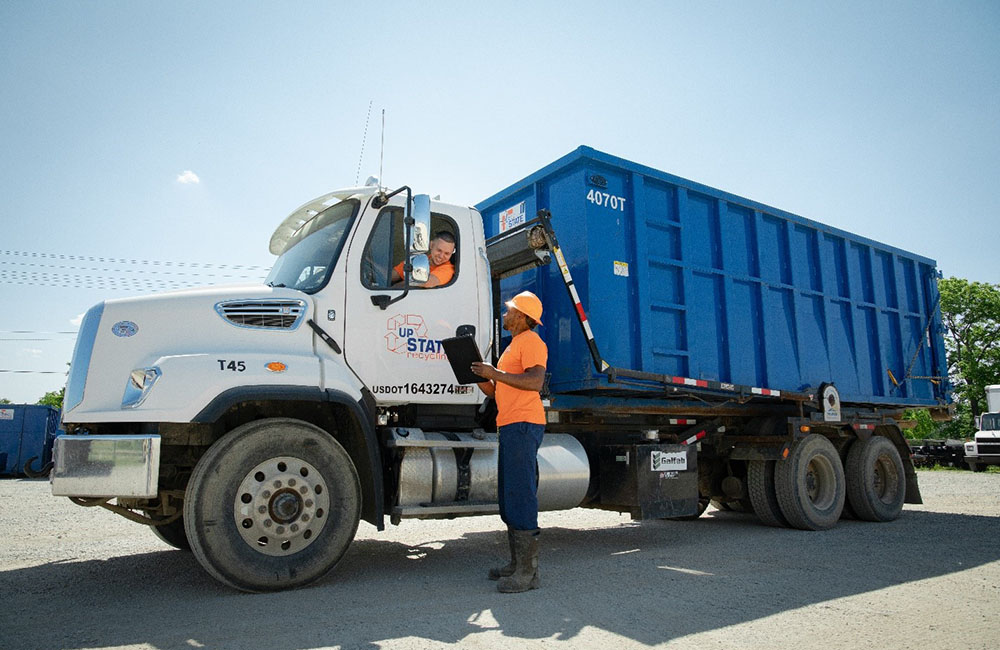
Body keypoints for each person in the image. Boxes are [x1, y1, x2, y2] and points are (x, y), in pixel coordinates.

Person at [470, 290, 547, 593]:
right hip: (510, 424)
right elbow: (497, 390)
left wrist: (495, 373)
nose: (505, 314)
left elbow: (535, 382)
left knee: (520, 493)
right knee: (509, 495)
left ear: (523, 317)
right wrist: (481, 377)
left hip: (524, 424)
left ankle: (528, 574)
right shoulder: (513, 345)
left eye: (510, 310)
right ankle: (517, 565)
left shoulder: (532, 342)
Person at [391, 231, 456, 288]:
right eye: (439, 250)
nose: (441, 256)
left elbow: (428, 282)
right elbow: (391, 275)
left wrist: (396, 287)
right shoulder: (418, 259)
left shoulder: (448, 269)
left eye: (447, 253)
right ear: (431, 245)